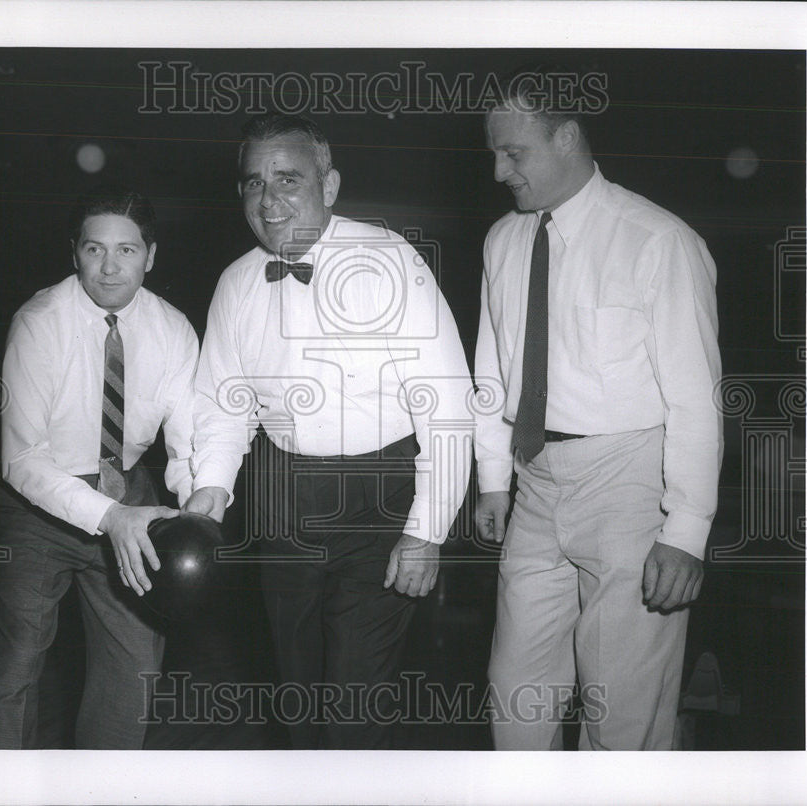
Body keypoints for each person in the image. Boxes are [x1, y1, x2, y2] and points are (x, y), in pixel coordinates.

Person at [185, 113, 473, 749]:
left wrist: (426, 532)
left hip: (382, 496)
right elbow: (224, 405)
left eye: (288, 179)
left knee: (353, 705)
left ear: (330, 185)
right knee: (295, 696)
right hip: (282, 496)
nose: (268, 199)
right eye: (253, 183)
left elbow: (449, 406)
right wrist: (210, 493)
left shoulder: (391, 259)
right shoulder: (235, 282)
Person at [474, 70, 723, 750]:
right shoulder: (502, 242)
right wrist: (492, 477)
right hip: (536, 483)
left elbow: (695, 399)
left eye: (513, 153)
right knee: (516, 701)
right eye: (494, 153)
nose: (499, 171)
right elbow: (490, 374)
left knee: (623, 714)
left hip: (629, 481)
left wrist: (687, 530)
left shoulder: (657, 240)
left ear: (568, 136)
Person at [0, 187, 199, 749]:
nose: (109, 266)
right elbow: (22, 459)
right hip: (36, 502)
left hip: (129, 490)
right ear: (74, 252)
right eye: (95, 249)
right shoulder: (39, 322)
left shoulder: (173, 329)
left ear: (152, 255)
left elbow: (187, 445)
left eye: (126, 251)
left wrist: (196, 506)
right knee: (16, 667)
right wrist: (110, 517)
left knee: (135, 671)